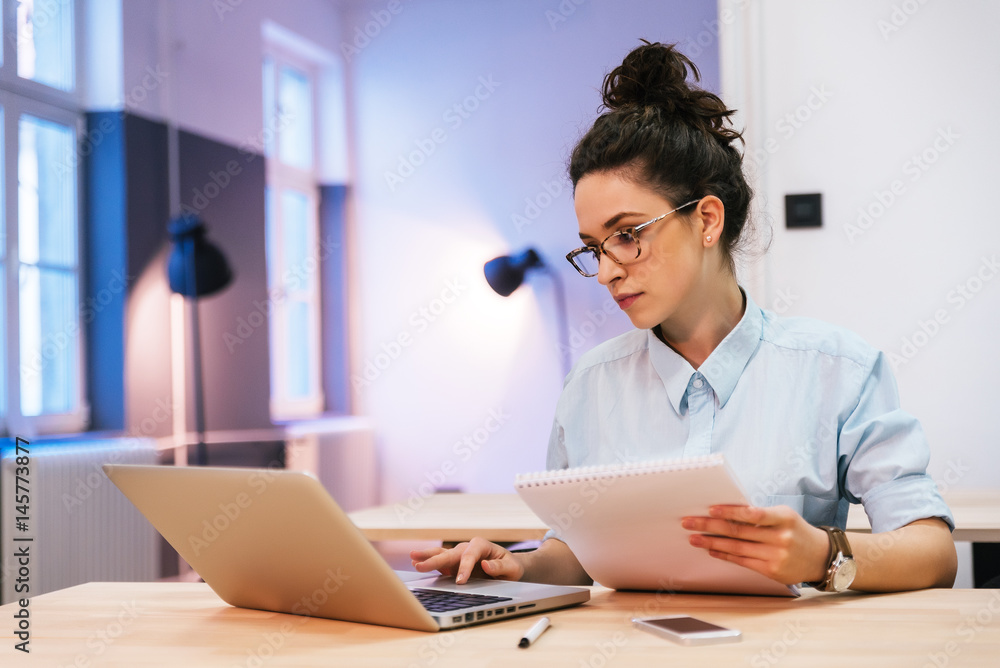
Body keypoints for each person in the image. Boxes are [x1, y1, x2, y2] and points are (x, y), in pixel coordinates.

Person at [411, 41, 957, 592]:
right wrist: (518, 567)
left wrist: (823, 556)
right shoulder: (590, 386)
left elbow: (933, 554)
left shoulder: (838, 371)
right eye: (594, 248)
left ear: (707, 221)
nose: (606, 272)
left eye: (626, 236)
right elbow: (577, 552)